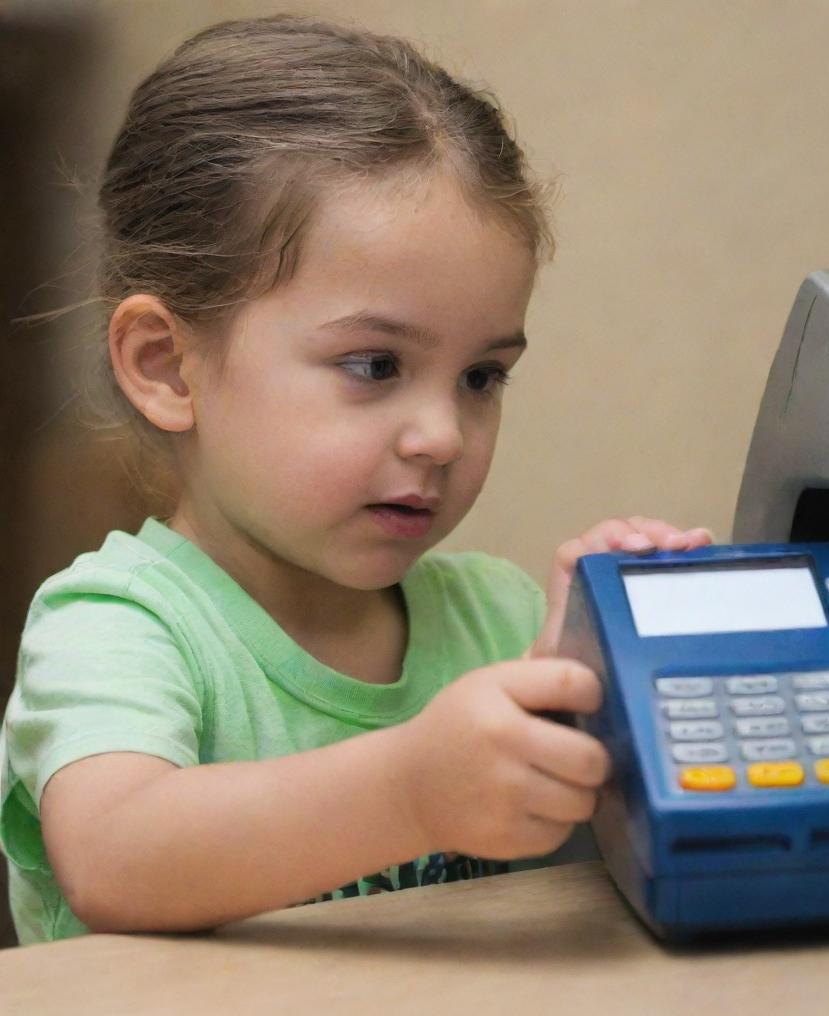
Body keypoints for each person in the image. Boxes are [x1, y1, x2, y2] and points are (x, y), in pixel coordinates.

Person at [0, 14, 711, 945]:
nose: (442, 434)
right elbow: (115, 856)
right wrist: (414, 788)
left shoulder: (498, 622)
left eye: (482, 377)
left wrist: (597, 698)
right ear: (169, 366)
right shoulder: (119, 625)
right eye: (375, 366)